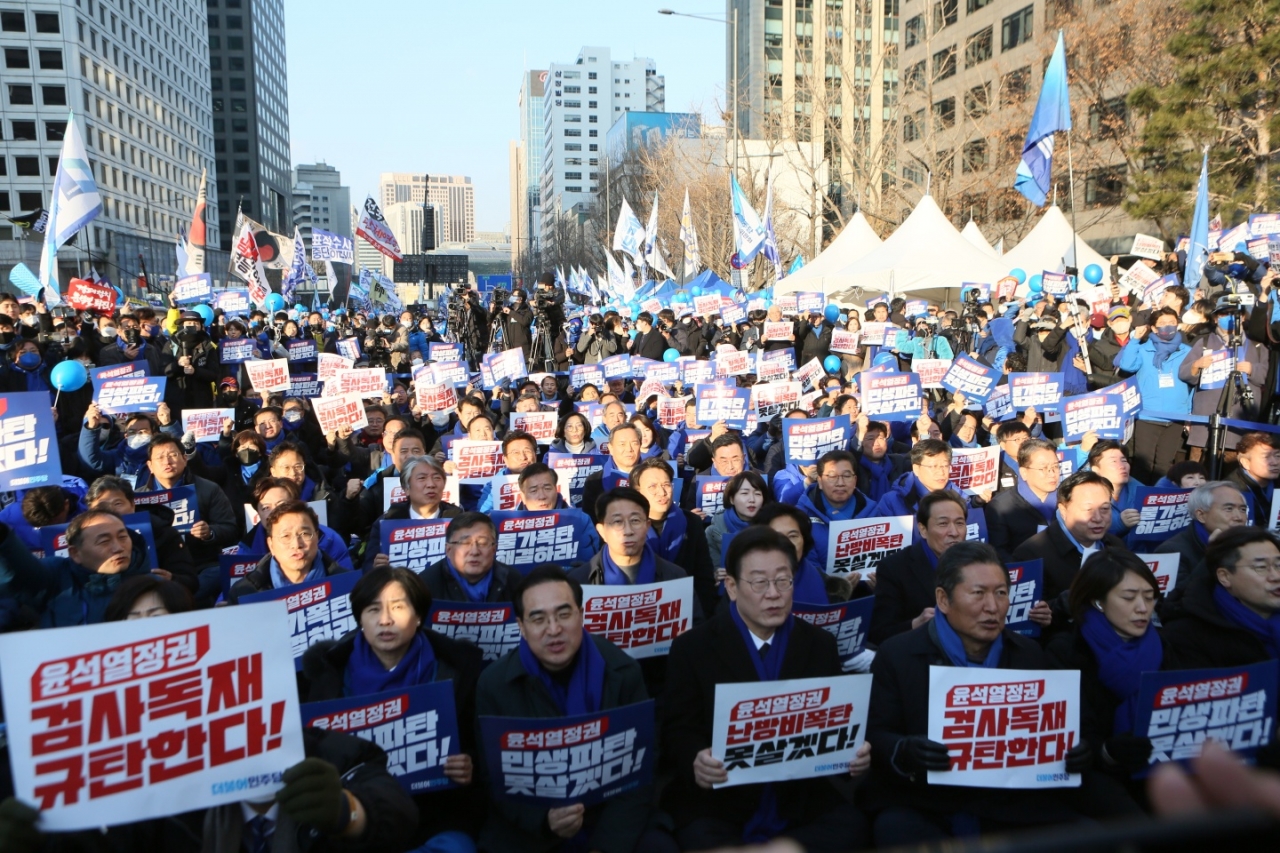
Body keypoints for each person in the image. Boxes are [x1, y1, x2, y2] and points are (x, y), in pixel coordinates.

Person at [865, 541, 1091, 846]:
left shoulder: (1029, 654)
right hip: (925, 802)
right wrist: (904, 751)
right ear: (943, 600)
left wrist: (1072, 753)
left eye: (1000, 593)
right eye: (978, 593)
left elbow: (1052, 730)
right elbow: (877, 733)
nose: (993, 607)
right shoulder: (897, 654)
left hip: (1011, 802)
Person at [660, 527, 870, 851]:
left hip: (800, 795)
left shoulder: (819, 643)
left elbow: (836, 718)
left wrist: (854, 751)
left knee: (856, 828)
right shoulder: (692, 647)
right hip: (722, 799)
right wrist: (696, 759)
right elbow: (678, 726)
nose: (773, 593)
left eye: (783, 580)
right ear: (731, 586)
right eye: (759, 582)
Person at [474, 565, 663, 853]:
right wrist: (544, 819)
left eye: (564, 614)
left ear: (582, 615)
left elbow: (641, 768)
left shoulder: (623, 672)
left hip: (611, 815)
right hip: (532, 825)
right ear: (521, 627)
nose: (554, 629)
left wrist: (606, 846)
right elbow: (493, 778)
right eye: (538, 619)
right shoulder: (495, 684)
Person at [301, 567, 485, 850]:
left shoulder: (459, 671)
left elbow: (480, 747)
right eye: (373, 610)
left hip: (435, 817)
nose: (385, 620)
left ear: (419, 615)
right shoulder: (328, 674)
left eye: (398, 607)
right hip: (358, 817)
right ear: (360, 618)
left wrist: (468, 764)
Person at [1045, 550, 1166, 815]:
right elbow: (1073, 736)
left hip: (1164, 769)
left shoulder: (1164, 644)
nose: (1143, 608)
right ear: (1098, 601)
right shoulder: (1066, 651)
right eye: (1128, 597)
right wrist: (1108, 752)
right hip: (1097, 781)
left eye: (1149, 596)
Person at [1012, 470, 1131, 621]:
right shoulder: (1031, 554)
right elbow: (1027, 617)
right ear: (1063, 510)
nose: (1098, 518)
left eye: (1105, 509)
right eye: (1088, 510)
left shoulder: (1115, 546)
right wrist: (1071, 600)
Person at [0, 510, 151, 626]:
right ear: (75, 553)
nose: (118, 548)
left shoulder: (156, 585)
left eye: (123, 537)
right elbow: (18, 570)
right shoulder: (55, 579)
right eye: (104, 541)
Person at [1161, 526, 1280, 669]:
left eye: (1278, 565)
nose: (1276, 576)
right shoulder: (1187, 636)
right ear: (1225, 577)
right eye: (1261, 567)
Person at [631, 456, 718, 615]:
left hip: (685, 610)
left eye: (666, 484)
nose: (662, 492)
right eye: (652, 486)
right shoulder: (625, 527)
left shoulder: (691, 522)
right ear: (637, 491)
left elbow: (704, 577)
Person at [137, 432, 240, 567]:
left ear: (185, 459)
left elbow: (230, 528)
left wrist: (209, 532)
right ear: (150, 466)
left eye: (173, 455)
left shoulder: (208, 489)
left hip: (201, 565)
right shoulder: (139, 498)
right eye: (160, 457)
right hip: (157, 567)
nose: (167, 462)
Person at [1116, 306, 1193, 483]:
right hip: (1147, 416)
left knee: (1165, 465)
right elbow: (1127, 365)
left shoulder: (1187, 351)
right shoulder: (1143, 349)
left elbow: (1193, 382)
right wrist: (1134, 340)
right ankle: (1139, 503)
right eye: (1163, 323)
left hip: (1175, 417)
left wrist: (1189, 411)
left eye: (1172, 323)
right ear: (1153, 328)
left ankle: (1158, 502)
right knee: (1143, 465)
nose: (1168, 326)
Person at [85, 475, 198, 590]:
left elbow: (191, 582)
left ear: (133, 505)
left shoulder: (162, 532)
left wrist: (171, 579)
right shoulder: (83, 541)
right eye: (102, 506)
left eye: (117, 504)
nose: (111, 511)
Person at [228, 500, 350, 603]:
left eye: (305, 534)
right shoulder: (244, 592)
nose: (296, 544)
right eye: (286, 536)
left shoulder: (346, 584)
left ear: (317, 537)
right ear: (271, 545)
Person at [413, 511, 522, 604]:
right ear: (448, 549)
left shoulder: (515, 581)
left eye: (483, 543)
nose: (474, 551)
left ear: (494, 548)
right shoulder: (424, 586)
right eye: (464, 543)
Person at [1154, 481, 1249, 586]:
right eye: (1229, 509)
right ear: (1201, 515)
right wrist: (1212, 555)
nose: (1239, 517)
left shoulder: (1250, 546)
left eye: (1243, 509)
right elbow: (1178, 599)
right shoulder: (1171, 552)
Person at [984, 438, 1061, 560]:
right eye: (1044, 468)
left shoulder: (1068, 497)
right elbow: (999, 551)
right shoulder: (1001, 506)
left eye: (1056, 467)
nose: (1052, 473)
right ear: (1024, 472)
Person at [752, 503, 834, 605]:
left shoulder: (821, 579)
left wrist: (838, 597)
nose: (787, 544)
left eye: (793, 536)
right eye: (778, 537)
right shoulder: (746, 583)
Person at [868, 439, 970, 517]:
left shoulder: (960, 497)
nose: (941, 472)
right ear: (916, 468)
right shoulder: (892, 501)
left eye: (945, 466)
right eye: (933, 466)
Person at [706, 471, 772, 569]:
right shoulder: (715, 530)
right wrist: (716, 574)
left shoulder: (772, 527)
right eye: (745, 493)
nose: (752, 499)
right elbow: (711, 567)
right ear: (732, 499)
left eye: (757, 494)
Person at [580, 422, 643, 523]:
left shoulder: (651, 476)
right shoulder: (595, 481)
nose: (629, 449)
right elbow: (591, 521)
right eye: (622, 444)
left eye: (634, 443)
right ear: (611, 448)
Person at [1228, 431, 1280, 526]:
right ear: (1245, 462)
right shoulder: (1230, 489)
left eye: (1278, 456)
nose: (1275, 462)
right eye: (1266, 457)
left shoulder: (1277, 482)